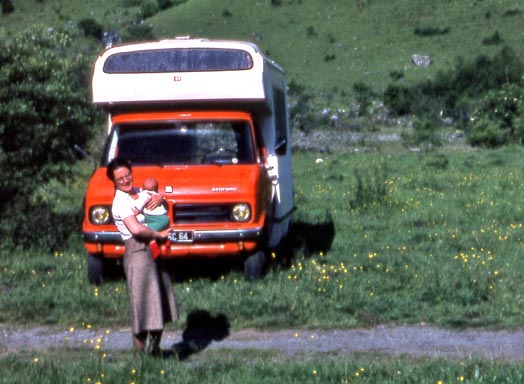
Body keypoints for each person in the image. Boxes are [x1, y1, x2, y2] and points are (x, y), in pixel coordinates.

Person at [106, 157, 178, 355]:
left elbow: (173, 189)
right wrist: (159, 234)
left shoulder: (139, 192)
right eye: (119, 178)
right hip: (138, 254)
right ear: (114, 181)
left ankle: (155, 351)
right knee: (142, 306)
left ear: (131, 172)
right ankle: (139, 357)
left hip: (153, 253)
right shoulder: (119, 203)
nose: (125, 180)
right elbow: (136, 230)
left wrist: (161, 195)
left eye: (127, 175)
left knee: (158, 301)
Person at [139, 177, 170, 259]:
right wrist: (162, 196)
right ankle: (165, 239)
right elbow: (166, 205)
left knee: (141, 222)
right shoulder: (158, 195)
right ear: (157, 189)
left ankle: (152, 241)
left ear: (143, 188)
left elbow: (138, 204)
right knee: (165, 221)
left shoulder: (142, 194)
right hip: (159, 218)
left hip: (147, 217)